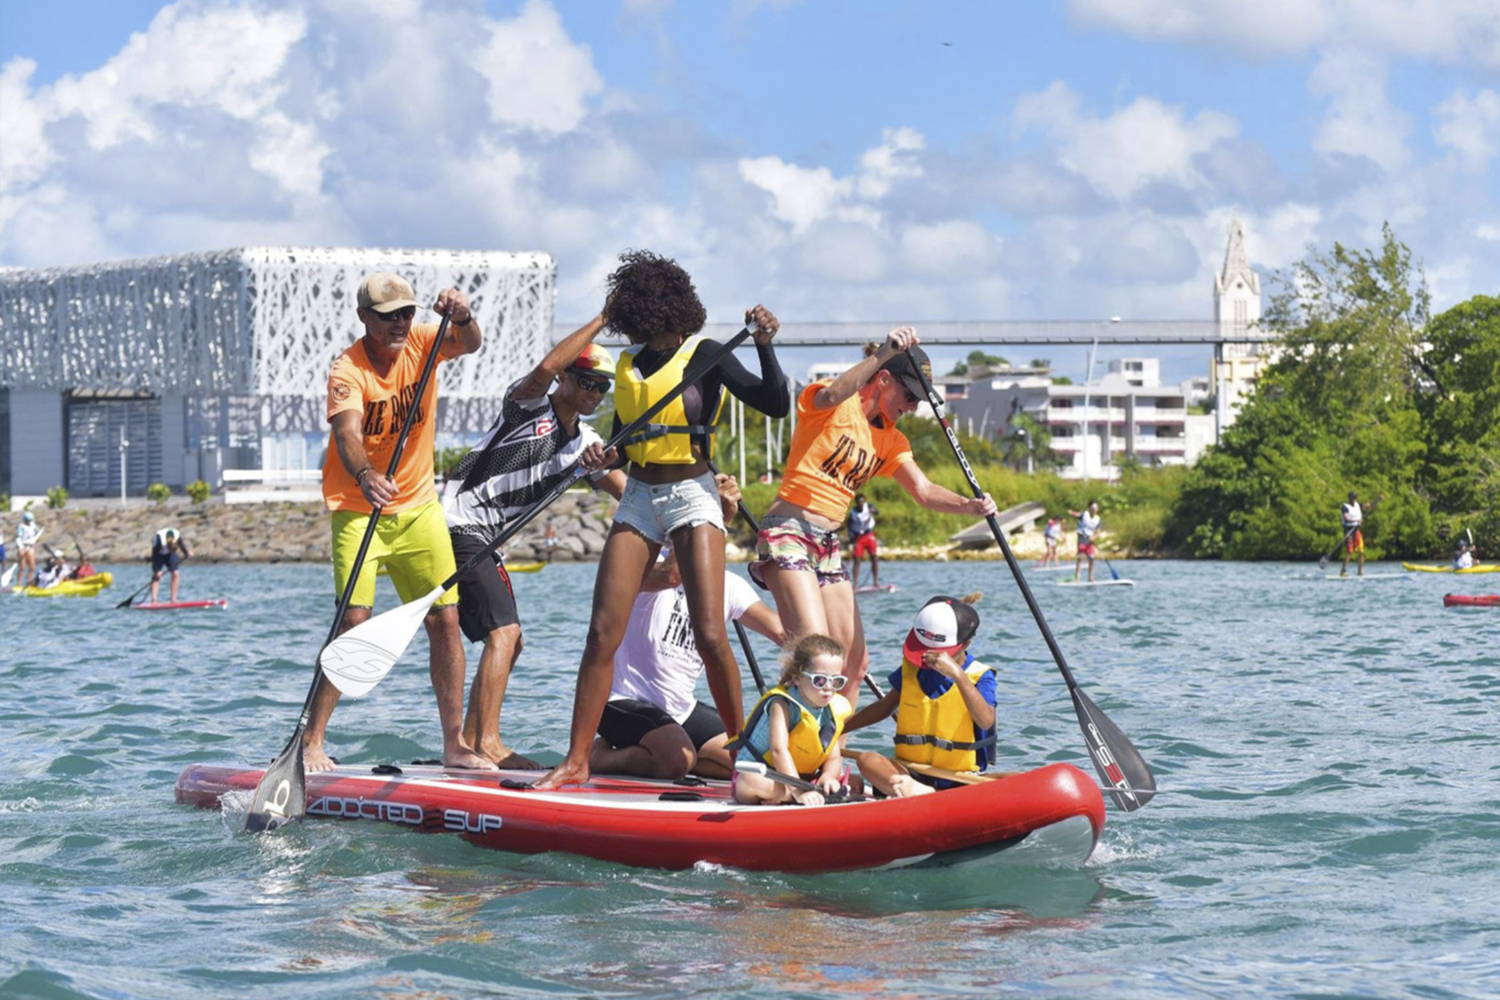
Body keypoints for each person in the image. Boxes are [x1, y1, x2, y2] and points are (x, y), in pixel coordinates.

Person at [537, 250, 789, 790]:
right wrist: (607, 459)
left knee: (709, 631)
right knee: (602, 630)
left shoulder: (710, 354)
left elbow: (774, 404)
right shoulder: (626, 365)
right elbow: (628, 442)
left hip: (693, 495)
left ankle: (742, 758)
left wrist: (766, 349)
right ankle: (577, 760)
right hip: (640, 500)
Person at [304, 272, 487, 773]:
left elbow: (469, 344)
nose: (401, 324)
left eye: (407, 313)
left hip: (419, 508)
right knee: (354, 620)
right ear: (365, 317)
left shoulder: (425, 342)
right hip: (359, 509)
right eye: (388, 317)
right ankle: (312, 740)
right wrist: (364, 474)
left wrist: (464, 314)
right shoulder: (348, 368)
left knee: (445, 619)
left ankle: (455, 744)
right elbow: (347, 432)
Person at [750, 327, 996, 692]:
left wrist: (971, 506)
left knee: (854, 663)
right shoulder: (834, 403)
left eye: (919, 401)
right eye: (909, 394)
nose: (912, 406)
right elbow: (833, 392)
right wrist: (885, 351)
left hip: (828, 545)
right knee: (817, 654)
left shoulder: (892, 439)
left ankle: (832, 746)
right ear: (882, 379)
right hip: (789, 530)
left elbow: (924, 491)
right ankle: (785, 736)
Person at [440, 316, 629, 768]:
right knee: (504, 632)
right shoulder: (527, 407)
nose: (593, 394)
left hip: (490, 539)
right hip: (458, 522)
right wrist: (606, 318)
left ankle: (465, 746)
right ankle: (488, 743)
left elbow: (626, 490)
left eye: (602, 387)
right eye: (586, 381)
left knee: (512, 641)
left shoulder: (586, 443)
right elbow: (545, 365)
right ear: (566, 377)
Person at [595, 480, 788, 781]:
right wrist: (718, 518)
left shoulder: (730, 585)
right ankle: (599, 756)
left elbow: (783, 633)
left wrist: (795, 580)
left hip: (680, 709)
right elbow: (674, 574)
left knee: (752, 765)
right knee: (677, 760)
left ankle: (682, 753)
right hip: (622, 701)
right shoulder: (646, 566)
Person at [845, 594, 997, 797]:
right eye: (923, 649)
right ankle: (912, 791)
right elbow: (885, 707)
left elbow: (986, 720)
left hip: (960, 777)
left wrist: (958, 676)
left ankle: (917, 795)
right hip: (911, 773)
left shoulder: (980, 676)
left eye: (936, 652)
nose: (927, 657)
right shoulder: (913, 668)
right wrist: (838, 728)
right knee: (867, 759)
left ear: (965, 645)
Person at [731, 633, 852, 806]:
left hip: (801, 780)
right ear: (797, 677)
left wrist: (827, 777)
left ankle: (799, 794)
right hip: (764, 775)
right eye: (819, 680)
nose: (828, 688)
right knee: (750, 780)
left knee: (853, 781)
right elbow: (778, 751)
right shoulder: (782, 705)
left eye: (837, 681)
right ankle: (796, 795)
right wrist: (798, 791)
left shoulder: (830, 710)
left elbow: (833, 758)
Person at [1339, 491, 1382, 577]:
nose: (1354, 500)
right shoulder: (1344, 507)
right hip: (1349, 530)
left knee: (1361, 552)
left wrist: (1377, 500)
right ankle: (1343, 571)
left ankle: (1360, 571)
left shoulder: (1358, 505)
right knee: (1349, 552)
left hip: (1357, 531)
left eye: (1355, 498)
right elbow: (1346, 518)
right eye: (1352, 498)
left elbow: (1369, 505)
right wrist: (1356, 521)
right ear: (1349, 498)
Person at [847, 493, 882, 589]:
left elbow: (877, 512)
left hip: (869, 535)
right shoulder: (853, 513)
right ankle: (855, 584)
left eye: (862, 502)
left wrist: (873, 511)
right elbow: (849, 527)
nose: (861, 504)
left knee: (874, 557)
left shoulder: (869, 506)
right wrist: (851, 540)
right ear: (856, 503)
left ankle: (875, 582)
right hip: (858, 538)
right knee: (857, 560)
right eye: (859, 502)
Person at [149, 528, 192, 602]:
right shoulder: (159, 541)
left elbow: (182, 545)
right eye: (170, 549)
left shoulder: (177, 535)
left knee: (176, 574)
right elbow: (154, 555)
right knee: (157, 576)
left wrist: (187, 553)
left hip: (170, 555)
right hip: (158, 554)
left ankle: (173, 599)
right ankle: (154, 599)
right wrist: (156, 570)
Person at [1069, 501, 1101, 582]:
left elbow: (1098, 532)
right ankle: (1077, 578)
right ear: (1089, 508)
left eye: (1096, 508)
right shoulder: (1084, 514)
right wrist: (1071, 513)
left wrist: (1094, 537)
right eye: (1093, 508)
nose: (1094, 509)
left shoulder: (1098, 519)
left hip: (1090, 539)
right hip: (1082, 537)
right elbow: (1077, 514)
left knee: (1091, 559)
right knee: (1080, 557)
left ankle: (1090, 578)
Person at [15, 511, 42, 587]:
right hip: (22, 547)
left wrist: (34, 540)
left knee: (32, 567)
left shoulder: (33, 525)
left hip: (30, 547)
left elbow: (37, 532)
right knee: (22, 567)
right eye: (27, 520)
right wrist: (20, 548)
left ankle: (28, 583)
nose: (29, 522)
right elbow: (18, 538)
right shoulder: (21, 526)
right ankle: (19, 584)